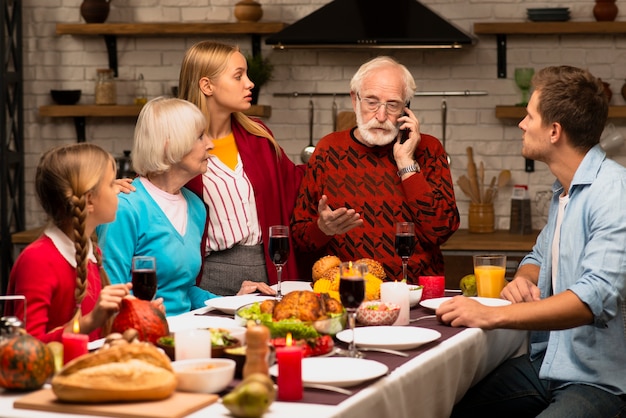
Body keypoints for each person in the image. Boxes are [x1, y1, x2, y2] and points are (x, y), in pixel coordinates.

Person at [438, 66, 626, 417]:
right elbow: (537, 254)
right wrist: (524, 279)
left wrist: (496, 316)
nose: (522, 125)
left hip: (599, 380)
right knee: (448, 406)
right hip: (547, 366)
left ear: (554, 131)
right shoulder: (565, 190)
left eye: (529, 116)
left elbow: (591, 299)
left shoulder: (613, 192)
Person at [97, 97, 274, 317]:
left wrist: (233, 303)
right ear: (169, 145)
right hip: (140, 337)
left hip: (184, 330)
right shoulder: (125, 209)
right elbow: (109, 296)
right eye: (200, 136)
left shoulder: (196, 207)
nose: (210, 144)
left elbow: (183, 290)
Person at [290, 56, 459, 283]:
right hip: (345, 291)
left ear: (405, 108)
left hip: (414, 293)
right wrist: (322, 228)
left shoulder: (429, 149)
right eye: (371, 102)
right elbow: (299, 238)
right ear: (354, 100)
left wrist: (406, 163)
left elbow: (441, 231)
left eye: (392, 105)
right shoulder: (328, 149)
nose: (381, 116)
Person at [178, 40, 305, 295]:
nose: (250, 83)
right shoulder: (180, 146)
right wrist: (124, 187)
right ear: (207, 85)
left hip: (268, 272)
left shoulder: (259, 135)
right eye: (238, 76)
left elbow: (295, 185)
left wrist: (331, 160)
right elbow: (153, 195)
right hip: (209, 281)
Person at [4, 143, 138, 343]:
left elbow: (97, 337)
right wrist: (88, 322)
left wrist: (144, 315)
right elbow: (29, 348)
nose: (119, 189)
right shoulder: (38, 260)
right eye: (111, 184)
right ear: (89, 200)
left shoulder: (91, 252)